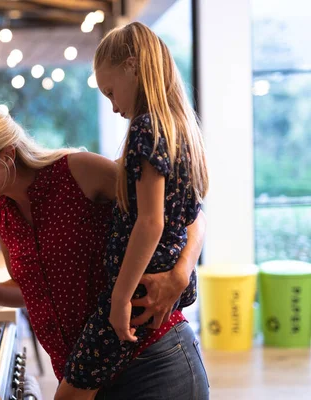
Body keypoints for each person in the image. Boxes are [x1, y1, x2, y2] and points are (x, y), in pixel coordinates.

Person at [0, 100, 208, 399]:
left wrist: (181, 273)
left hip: (151, 361)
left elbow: (185, 213)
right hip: (83, 375)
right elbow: (30, 292)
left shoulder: (78, 172)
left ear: (7, 155)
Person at [55, 21, 209, 400]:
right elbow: (188, 216)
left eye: (110, 91)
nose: (112, 106)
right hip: (160, 283)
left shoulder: (146, 129)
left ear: (132, 66)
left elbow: (150, 222)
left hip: (138, 290)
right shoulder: (178, 128)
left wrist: (119, 298)